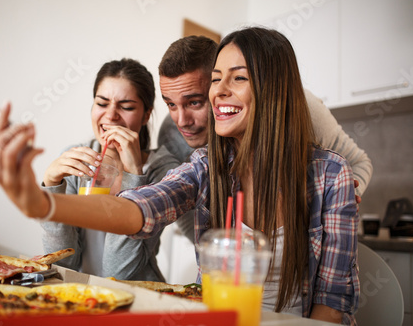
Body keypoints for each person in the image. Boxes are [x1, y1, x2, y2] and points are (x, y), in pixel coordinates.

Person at [0, 27, 359, 324]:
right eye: (215, 79)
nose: (219, 92)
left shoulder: (330, 175)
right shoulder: (205, 165)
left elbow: (331, 305)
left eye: (238, 78)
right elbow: (140, 211)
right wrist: (43, 202)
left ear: (272, 88)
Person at [156, 35, 373, 244]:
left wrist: (341, 198)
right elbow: (182, 205)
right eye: (171, 104)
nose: (182, 121)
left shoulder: (302, 109)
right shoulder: (171, 135)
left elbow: (358, 162)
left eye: (195, 102)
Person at [40, 58, 179, 281]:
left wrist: (134, 174)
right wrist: (51, 186)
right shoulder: (76, 161)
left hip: (138, 299)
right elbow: (62, 264)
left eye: (126, 107)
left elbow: (120, 273)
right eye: (102, 103)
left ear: (145, 115)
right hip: (80, 297)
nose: (111, 115)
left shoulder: (162, 172)